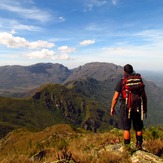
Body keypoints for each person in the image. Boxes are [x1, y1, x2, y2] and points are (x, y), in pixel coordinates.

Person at [110, 64, 147, 149]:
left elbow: (115, 97)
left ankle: (127, 148)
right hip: (138, 107)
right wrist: (144, 107)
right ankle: (139, 145)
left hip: (126, 107)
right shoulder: (138, 80)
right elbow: (144, 96)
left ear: (124, 71)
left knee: (126, 128)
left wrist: (112, 107)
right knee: (138, 127)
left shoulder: (122, 81)